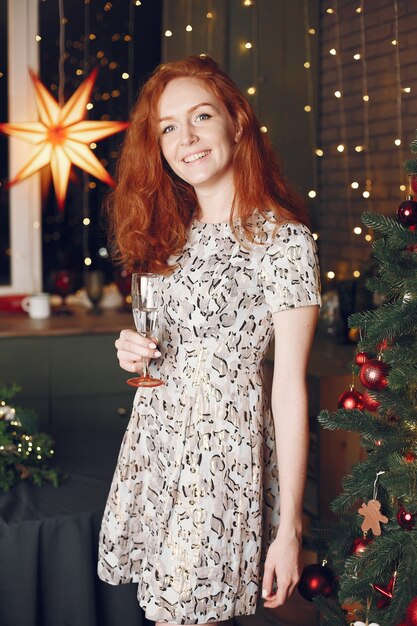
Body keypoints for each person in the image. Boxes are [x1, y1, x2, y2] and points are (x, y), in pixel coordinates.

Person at [97, 55, 321, 626]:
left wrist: (289, 527)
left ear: (237, 123)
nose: (185, 138)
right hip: (157, 443)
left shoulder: (282, 238)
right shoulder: (165, 236)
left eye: (201, 117)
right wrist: (131, 350)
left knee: (194, 611)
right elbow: (159, 340)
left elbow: (289, 387)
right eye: (168, 127)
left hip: (224, 454)